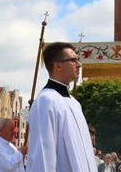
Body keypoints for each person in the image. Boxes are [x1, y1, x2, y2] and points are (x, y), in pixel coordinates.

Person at [26, 42, 96, 172]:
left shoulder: (74, 102)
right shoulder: (46, 101)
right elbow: (43, 156)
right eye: (73, 60)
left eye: (78, 59)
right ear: (58, 66)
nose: (79, 64)